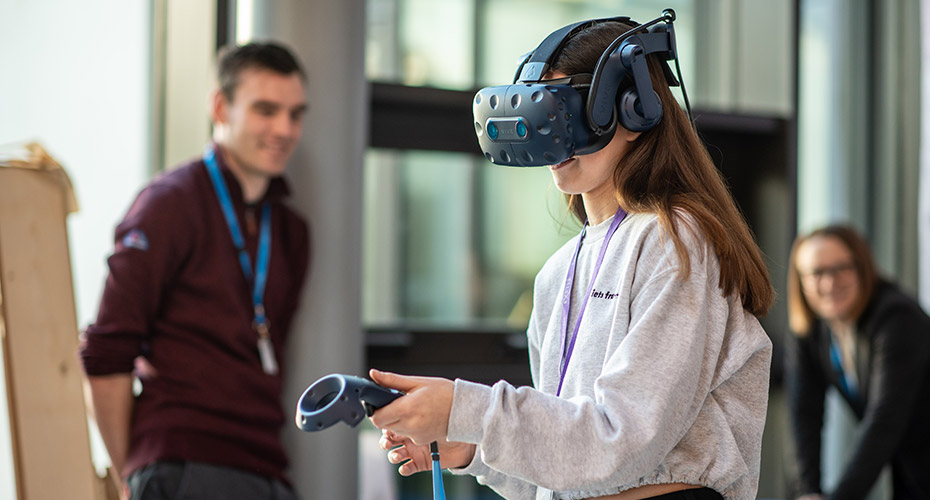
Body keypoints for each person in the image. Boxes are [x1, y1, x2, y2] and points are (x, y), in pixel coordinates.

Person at [368, 15, 775, 500]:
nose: (550, 138)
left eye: (566, 113)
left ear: (634, 109)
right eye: (541, 118)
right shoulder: (558, 271)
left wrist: (464, 408)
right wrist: (469, 448)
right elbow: (569, 468)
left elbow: (622, 441)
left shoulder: (674, 239)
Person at [80, 41, 310, 500]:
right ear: (220, 108)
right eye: (266, 110)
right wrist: (136, 472)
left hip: (266, 469)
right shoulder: (169, 204)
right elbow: (105, 355)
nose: (284, 129)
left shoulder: (290, 230)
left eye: (296, 114)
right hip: (182, 465)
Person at [785, 225, 930, 500]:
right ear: (801, 282)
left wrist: (840, 497)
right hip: (908, 467)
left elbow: (884, 419)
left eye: (841, 268)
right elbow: (804, 414)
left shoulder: (898, 318)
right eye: (817, 273)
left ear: (863, 269)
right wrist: (808, 491)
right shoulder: (812, 331)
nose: (829, 283)